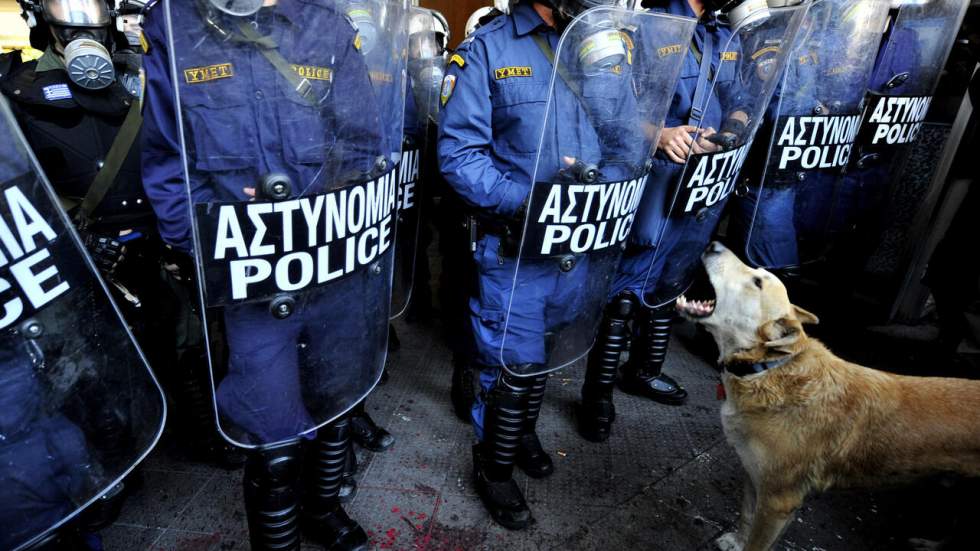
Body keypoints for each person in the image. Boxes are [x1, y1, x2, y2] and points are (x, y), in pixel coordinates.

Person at [141, 0, 404, 548]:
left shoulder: (326, 26)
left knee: (337, 402)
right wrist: (210, 250)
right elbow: (170, 165)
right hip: (251, 281)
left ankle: (323, 510)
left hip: (333, 264)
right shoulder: (174, 23)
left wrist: (332, 202)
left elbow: (363, 143)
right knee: (273, 435)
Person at [438, 0, 650, 529]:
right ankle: (494, 465)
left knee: (550, 350)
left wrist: (603, 184)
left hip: (580, 246)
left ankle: (520, 432)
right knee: (511, 362)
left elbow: (626, 140)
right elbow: (459, 155)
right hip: (515, 248)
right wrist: (527, 203)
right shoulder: (488, 50)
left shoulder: (604, 48)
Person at [577, 0, 798, 442]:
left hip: (704, 179)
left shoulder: (719, 33)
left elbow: (740, 94)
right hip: (656, 176)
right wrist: (656, 134)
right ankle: (596, 394)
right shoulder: (647, 27)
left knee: (672, 282)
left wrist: (734, 126)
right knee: (626, 290)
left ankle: (643, 370)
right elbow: (602, 103)